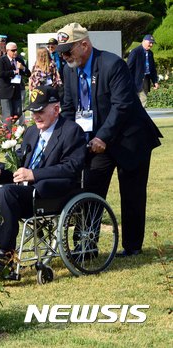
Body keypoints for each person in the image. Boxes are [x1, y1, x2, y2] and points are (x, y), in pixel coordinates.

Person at [56, 22, 162, 257]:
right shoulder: (69, 70)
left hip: (129, 139)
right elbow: (69, 108)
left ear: (84, 45)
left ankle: (132, 247)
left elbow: (121, 106)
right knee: (91, 189)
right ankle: (87, 245)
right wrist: (63, 138)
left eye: (67, 51)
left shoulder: (112, 64)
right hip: (97, 143)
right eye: (61, 52)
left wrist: (103, 136)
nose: (63, 57)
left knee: (132, 194)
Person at [0, 85, 86, 276]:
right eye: (33, 111)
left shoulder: (71, 131)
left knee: (7, 192)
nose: (35, 116)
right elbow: (19, 161)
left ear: (56, 109)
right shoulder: (31, 132)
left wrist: (34, 174)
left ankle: (4, 253)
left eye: (40, 111)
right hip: (21, 193)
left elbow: (72, 168)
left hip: (50, 193)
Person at [0, 42, 31, 127]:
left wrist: (22, 68)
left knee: (18, 112)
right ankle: (7, 135)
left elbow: (28, 74)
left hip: (16, 91)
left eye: (16, 50)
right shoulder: (2, 60)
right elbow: (0, 74)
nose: (15, 52)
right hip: (5, 91)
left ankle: (6, 126)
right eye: (13, 50)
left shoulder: (19, 59)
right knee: (7, 115)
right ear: (7, 51)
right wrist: (13, 72)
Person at [127, 34, 159, 108]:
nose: (151, 45)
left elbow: (152, 69)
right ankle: (139, 118)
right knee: (142, 99)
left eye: (152, 43)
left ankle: (137, 117)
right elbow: (128, 68)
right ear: (144, 41)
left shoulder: (150, 53)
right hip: (136, 81)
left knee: (140, 101)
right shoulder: (135, 52)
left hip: (146, 80)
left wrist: (155, 81)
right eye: (150, 42)